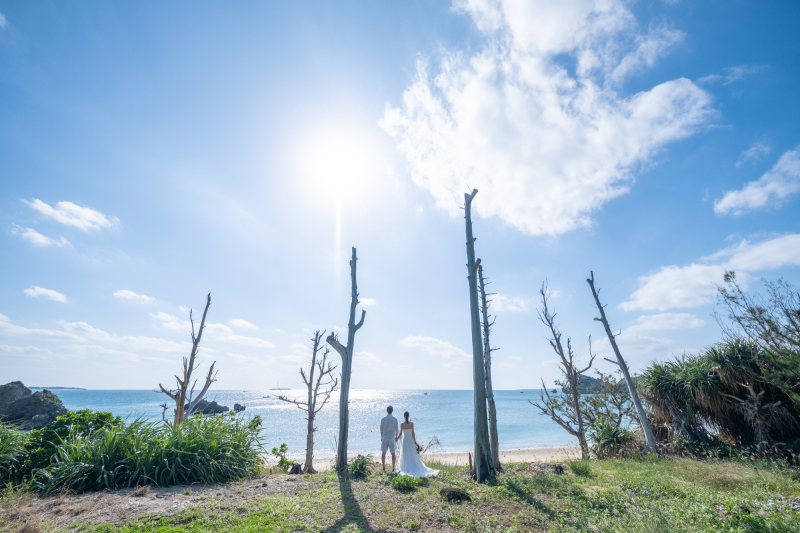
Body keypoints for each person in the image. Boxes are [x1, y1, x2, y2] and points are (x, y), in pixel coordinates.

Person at [395, 411, 439, 478]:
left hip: (405, 440)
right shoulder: (411, 424)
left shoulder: (402, 424)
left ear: (404, 416)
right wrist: (414, 441)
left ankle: (406, 466)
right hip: (410, 440)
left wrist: (397, 438)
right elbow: (413, 432)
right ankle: (413, 465)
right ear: (408, 416)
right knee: (412, 453)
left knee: (405, 453)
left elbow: (401, 433)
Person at [379, 405, 399, 472]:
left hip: (385, 437)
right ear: (392, 411)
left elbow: (381, 429)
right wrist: (396, 436)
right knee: (393, 453)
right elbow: (397, 429)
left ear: (387, 411)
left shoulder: (383, 419)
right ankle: (393, 467)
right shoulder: (395, 419)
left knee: (383, 452)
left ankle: (384, 467)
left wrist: (381, 437)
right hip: (391, 437)